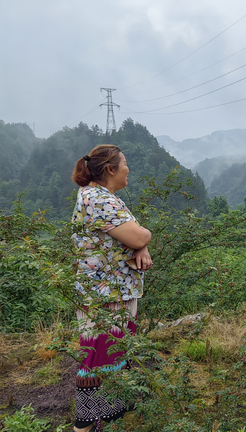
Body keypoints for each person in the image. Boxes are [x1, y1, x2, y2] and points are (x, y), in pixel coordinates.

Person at [71, 144, 153, 432]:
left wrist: (139, 245)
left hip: (113, 291)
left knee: (112, 354)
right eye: (125, 163)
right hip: (105, 294)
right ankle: (84, 425)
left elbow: (131, 236)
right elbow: (139, 232)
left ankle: (105, 419)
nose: (129, 169)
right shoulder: (98, 198)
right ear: (110, 169)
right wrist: (142, 240)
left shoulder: (102, 196)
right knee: (97, 356)